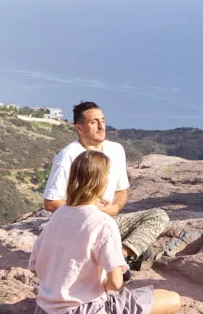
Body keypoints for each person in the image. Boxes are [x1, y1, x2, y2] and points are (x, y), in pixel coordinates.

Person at [29, 150, 181, 314]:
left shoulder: (58, 215)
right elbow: (115, 283)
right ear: (101, 182)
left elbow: (35, 265)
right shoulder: (103, 223)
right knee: (172, 299)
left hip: (43, 312)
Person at [43, 101, 170, 271]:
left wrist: (115, 207)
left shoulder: (116, 150)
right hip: (80, 225)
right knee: (143, 250)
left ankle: (122, 254)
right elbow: (51, 203)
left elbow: (121, 190)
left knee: (157, 219)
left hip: (107, 219)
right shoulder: (67, 156)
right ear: (79, 128)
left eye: (102, 120)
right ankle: (116, 262)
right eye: (94, 122)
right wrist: (89, 208)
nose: (101, 126)